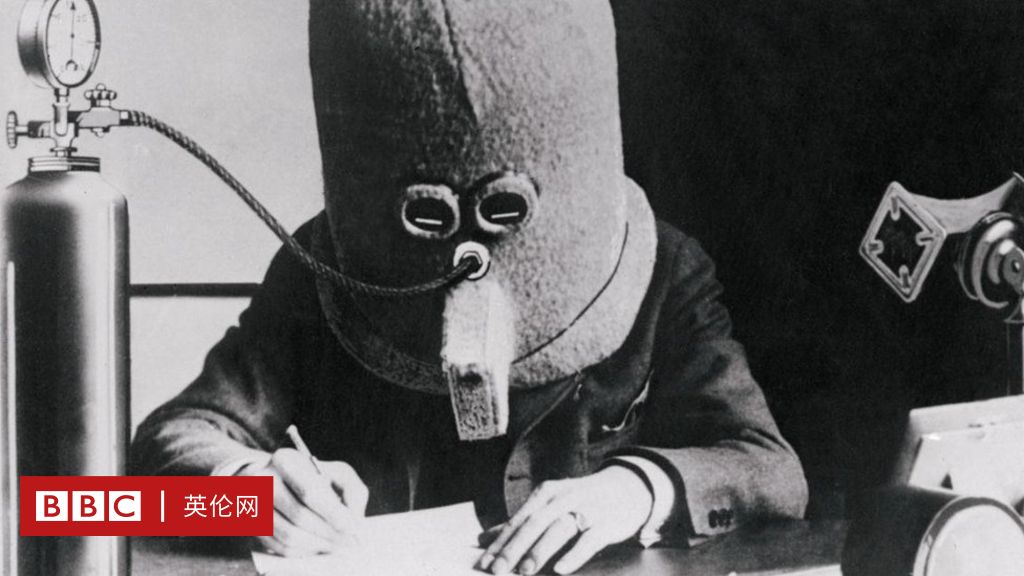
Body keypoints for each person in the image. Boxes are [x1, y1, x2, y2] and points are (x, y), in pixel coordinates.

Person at [131, 1, 809, 574]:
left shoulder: (663, 269)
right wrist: (248, 495)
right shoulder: (320, 272)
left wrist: (633, 490)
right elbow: (143, 478)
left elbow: (771, 470)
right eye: (428, 217)